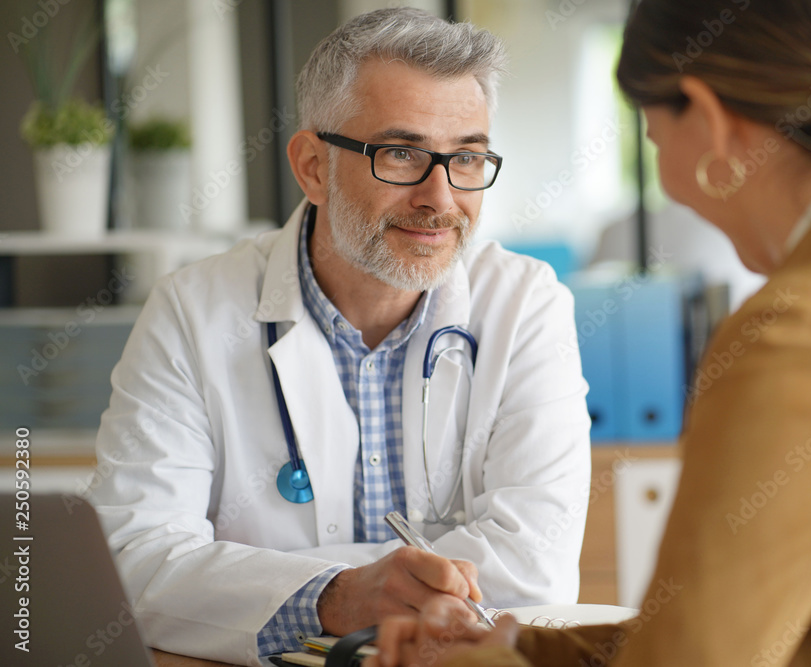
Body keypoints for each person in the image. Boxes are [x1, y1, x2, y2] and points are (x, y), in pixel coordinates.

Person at [366, 0, 811, 665]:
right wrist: (521, 647)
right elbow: (805, 627)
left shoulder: (805, 335)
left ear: (705, 116)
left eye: (652, 131)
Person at [87, 8, 592, 665]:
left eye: (466, 156)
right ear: (312, 166)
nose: (440, 196)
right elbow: (132, 561)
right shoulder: (192, 311)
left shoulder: (527, 304)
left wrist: (264, 581)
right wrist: (341, 595)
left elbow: (538, 572)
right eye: (402, 153)